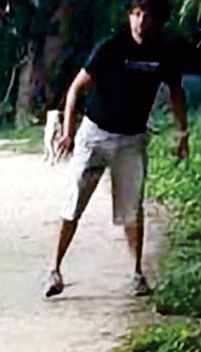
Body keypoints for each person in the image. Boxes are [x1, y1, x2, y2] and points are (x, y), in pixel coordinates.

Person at [44, 0, 188, 298]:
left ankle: (136, 274)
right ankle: (54, 270)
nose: (140, 21)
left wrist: (182, 132)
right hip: (95, 135)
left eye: (147, 15)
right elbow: (75, 89)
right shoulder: (111, 46)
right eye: (136, 14)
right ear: (129, 16)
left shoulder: (164, 50)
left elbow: (176, 92)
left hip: (131, 140)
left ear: (157, 20)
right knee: (73, 204)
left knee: (131, 210)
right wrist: (68, 133)